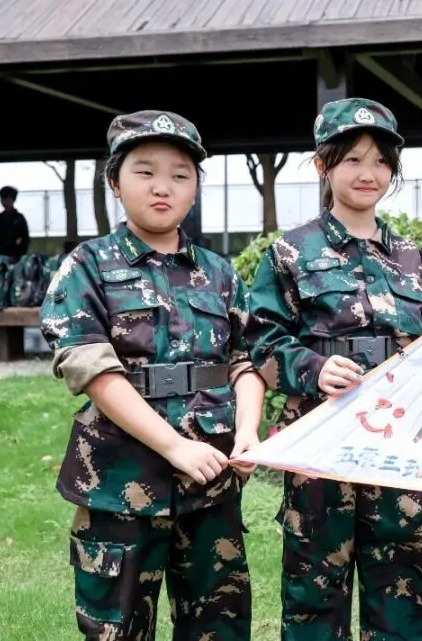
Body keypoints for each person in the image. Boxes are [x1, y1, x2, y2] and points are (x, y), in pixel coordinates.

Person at [39, 110, 264, 639]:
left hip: (211, 482)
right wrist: (174, 446)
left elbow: (248, 360)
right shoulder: (87, 266)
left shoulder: (219, 273)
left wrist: (249, 431)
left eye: (180, 175)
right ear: (115, 182)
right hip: (120, 481)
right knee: (116, 630)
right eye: (145, 171)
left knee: (218, 625)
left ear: (194, 190)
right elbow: (93, 368)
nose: (163, 187)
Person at [245, 98, 422, 641]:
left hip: (398, 445)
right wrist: (310, 367)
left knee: (403, 582)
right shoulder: (290, 253)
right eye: (352, 159)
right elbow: (259, 338)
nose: (367, 173)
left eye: (380, 161)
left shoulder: (412, 259)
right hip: (320, 442)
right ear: (323, 165)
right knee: (315, 586)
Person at [0, 185, 30, 258]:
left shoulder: (19, 218)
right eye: (2, 198)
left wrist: (18, 254)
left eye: (6, 198)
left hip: (15, 256)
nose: (3, 201)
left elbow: (25, 239)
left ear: (13, 199)